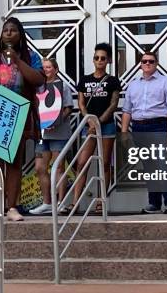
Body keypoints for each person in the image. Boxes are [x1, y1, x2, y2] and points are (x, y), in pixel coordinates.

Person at [0, 17, 45, 222]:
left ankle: (12, 206)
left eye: (13, 30)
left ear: (20, 34)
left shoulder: (30, 57)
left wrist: (18, 60)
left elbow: (39, 80)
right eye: (6, 30)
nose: (9, 33)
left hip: (16, 113)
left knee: (13, 162)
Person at [121, 52, 167, 214]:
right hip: (139, 128)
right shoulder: (133, 85)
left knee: (164, 165)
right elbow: (127, 110)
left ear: (157, 63)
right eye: (144, 61)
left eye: (151, 61)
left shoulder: (165, 82)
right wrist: (124, 132)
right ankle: (154, 203)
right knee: (149, 168)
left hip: (159, 126)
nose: (147, 63)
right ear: (140, 64)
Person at [71, 43, 120, 214]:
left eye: (103, 58)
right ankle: (75, 203)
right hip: (89, 127)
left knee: (105, 164)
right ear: (93, 59)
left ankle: (101, 201)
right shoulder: (85, 80)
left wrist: (99, 122)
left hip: (106, 127)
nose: (99, 61)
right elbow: (81, 103)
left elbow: (114, 104)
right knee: (82, 163)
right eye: (96, 57)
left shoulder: (112, 81)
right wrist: (90, 121)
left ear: (108, 60)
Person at [29, 58, 73, 215]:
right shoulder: (37, 87)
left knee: (59, 167)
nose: (46, 69)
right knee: (40, 167)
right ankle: (47, 202)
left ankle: (61, 202)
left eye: (49, 67)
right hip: (42, 134)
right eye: (43, 67)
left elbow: (68, 108)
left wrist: (57, 121)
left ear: (56, 69)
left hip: (59, 134)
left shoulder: (63, 86)